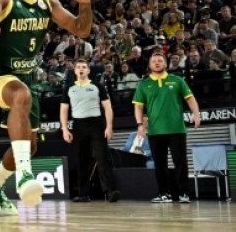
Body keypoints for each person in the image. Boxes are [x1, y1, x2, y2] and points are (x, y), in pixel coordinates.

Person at [0, 0, 92, 212]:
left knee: (30, 147)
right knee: (20, 94)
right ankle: (25, 178)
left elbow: (81, 29)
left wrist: (85, 4)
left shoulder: (45, 0)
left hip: (25, 78)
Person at [132, 51, 201, 203]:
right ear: (150, 65)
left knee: (180, 162)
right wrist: (139, 125)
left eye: (160, 61)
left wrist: (196, 114)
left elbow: (190, 99)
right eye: (154, 61)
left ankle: (184, 193)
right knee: (160, 163)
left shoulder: (177, 80)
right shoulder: (143, 84)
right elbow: (138, 107)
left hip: (176, 128)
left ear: (165, 64)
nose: (157, 63)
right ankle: (164, 194)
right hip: (155, 130)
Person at [60, 59, 120, 202]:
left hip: (96, 123)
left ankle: (110, 192)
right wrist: (65, 129)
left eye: (84, 67)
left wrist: (109, 126)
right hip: (78, 125)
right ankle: (83, 194)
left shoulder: (97, 86)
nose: (81, 69)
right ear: (74, 70)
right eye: (78, 67)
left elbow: (107, 107)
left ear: (88, 70)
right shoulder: (69, 88)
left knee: (102, 157)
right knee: (81, 160)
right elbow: (63, 110)